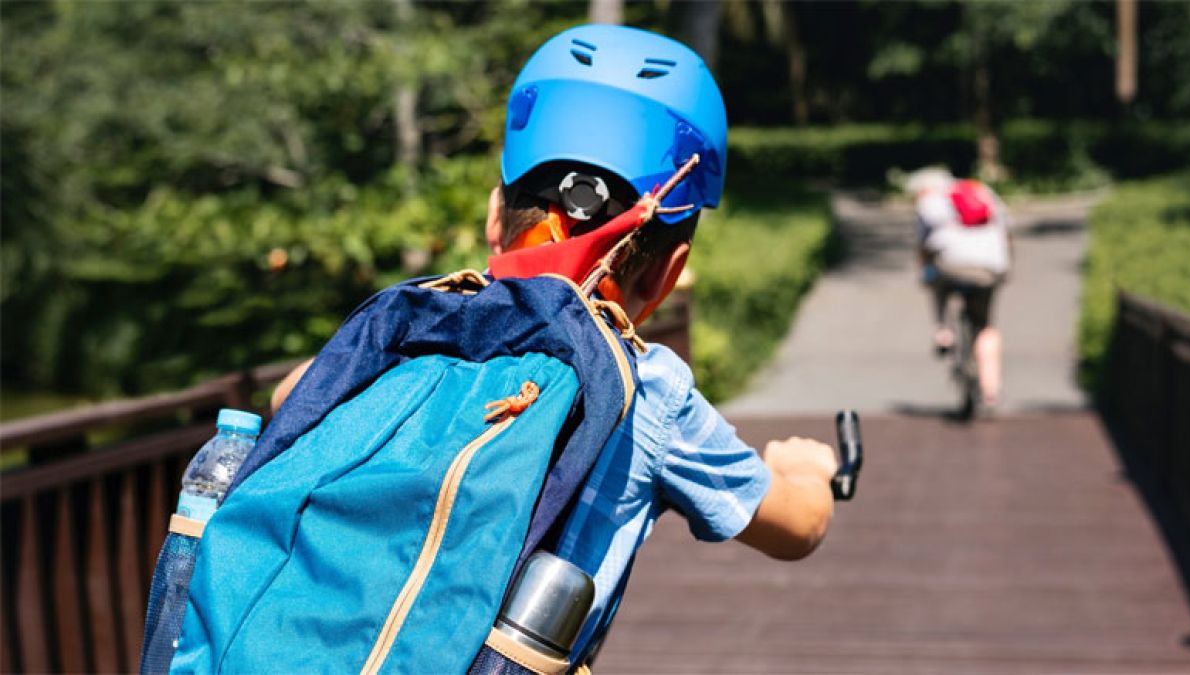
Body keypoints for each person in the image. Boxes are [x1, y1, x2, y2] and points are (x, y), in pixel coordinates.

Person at [273, 24, 838, 664]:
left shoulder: (417, 323)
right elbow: (798, 526)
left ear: (495, 217)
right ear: (668, 271)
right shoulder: (651, 394)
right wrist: (807, 471)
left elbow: (291, 397)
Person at [906, 166, 1013, 410]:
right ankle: (991, 389)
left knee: (936, 282)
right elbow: (1006, 230)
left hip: (951, 266)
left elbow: (923, 245)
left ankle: (943, 330)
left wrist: (924, 272)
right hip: (989, 267)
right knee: (985, 325)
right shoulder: (982, 191)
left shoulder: (930, 202)